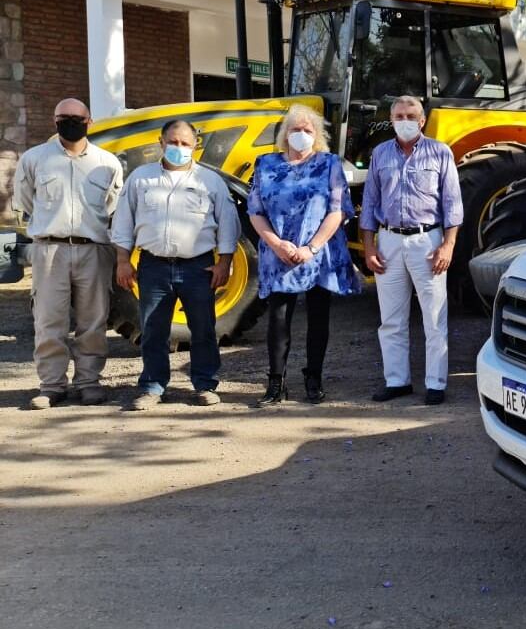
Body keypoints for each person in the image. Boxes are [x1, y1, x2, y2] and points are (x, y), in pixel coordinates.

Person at [111, 120, 239, 410]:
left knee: (203, 329)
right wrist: (122, 261)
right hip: (153, 267)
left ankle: (205, 384)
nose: (178, 148)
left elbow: (228, 225)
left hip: (198, 268)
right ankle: (152, 387)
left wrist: (225, 263)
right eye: (173, 142)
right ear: (161, 142)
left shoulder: (210, 181)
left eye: (185, 143)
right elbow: (123, 222)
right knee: (153, 330)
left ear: (195, 146)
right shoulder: (141, 178)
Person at [245, 105, 361, 406]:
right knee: (278, 319)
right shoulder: (266, 164)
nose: (301, 135)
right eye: (295, 129)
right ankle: (276, 382)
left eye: (308, 130)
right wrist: (278, 245)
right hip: (278, 253)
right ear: (285, 134)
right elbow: (255, 211)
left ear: (318, 136)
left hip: (319, 255)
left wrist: (311, 247)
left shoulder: (330, 164)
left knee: (318, 318)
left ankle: (314, 379)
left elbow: (338, 211)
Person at [12, 98, 124, 409]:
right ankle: (51, 386)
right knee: (49, 321)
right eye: (63, 117)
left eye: (76, 117)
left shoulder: (107, 163)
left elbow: (113, 209)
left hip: (94, 251)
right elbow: (26, 201)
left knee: (93, 321)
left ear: (89, 121)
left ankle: (89, 383)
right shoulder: (35, 159)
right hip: (50, 250)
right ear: (54, 120)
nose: (70, 121)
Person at [358, 96, 462, 406]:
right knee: (391, 318)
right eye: (399, 115)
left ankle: (435, 384)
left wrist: (448, 245)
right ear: (391, 119)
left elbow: (452, 205)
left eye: (411, 115)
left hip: (427, 241)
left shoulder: (440, 153)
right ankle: (397, 381)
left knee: (433, 317)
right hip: (388, 241)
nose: (405, 120)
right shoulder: (380, 154)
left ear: (422, 120)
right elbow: (370, 204)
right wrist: (368, 247)